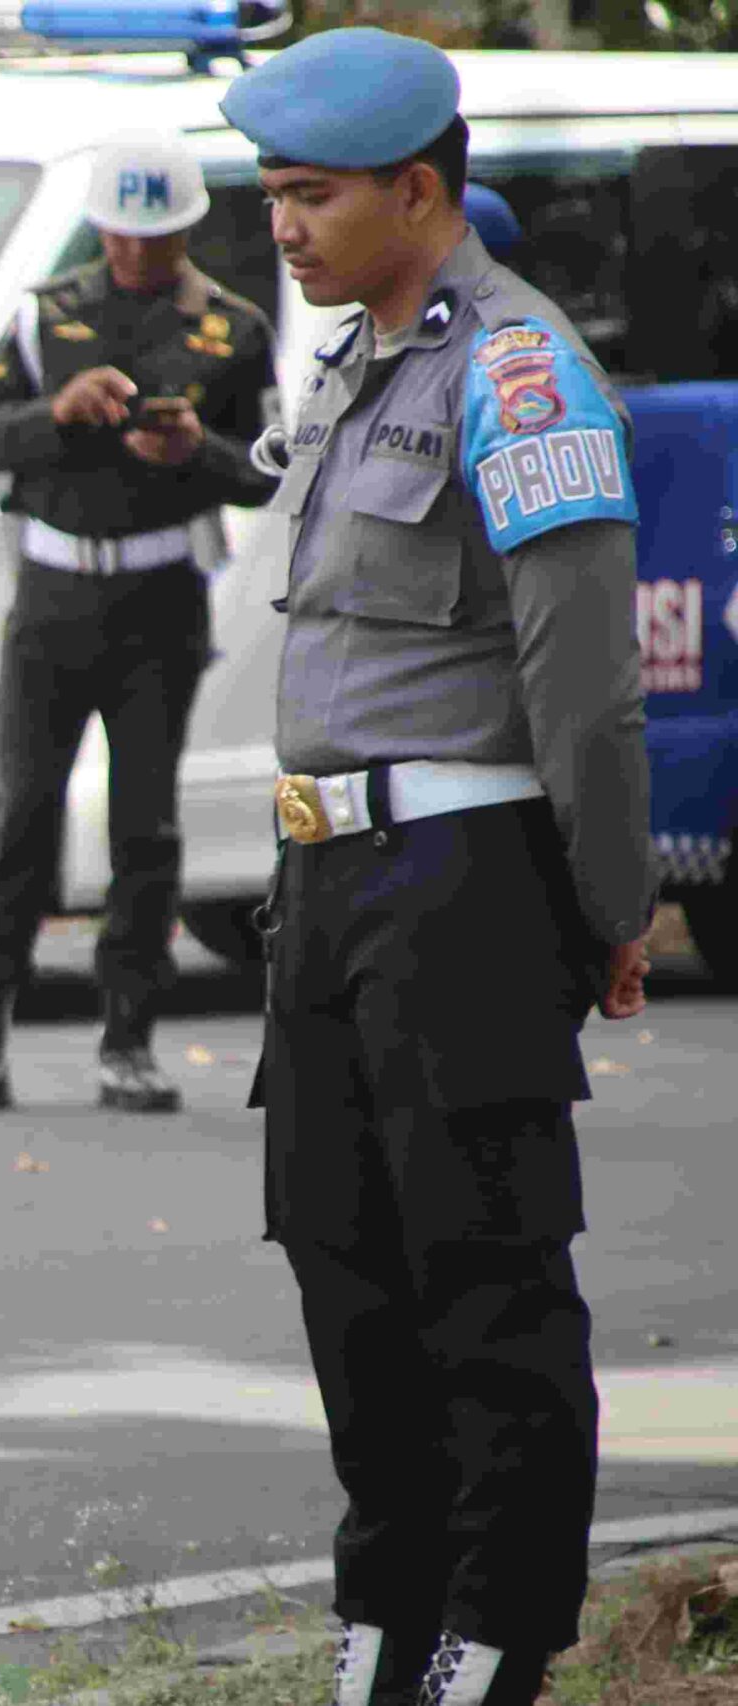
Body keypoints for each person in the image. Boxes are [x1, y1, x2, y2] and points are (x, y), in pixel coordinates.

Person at [221, 29, 654, 1706]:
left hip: (462, 874)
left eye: (313, 194)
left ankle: (500, 1634)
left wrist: (606, 908)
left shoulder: (519, 375)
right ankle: (389, 1620)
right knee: (345, 1264)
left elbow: (587, 688)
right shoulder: (355, 366)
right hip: (325, 886)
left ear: (422, 188)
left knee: (484, 1283)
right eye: (269, 193)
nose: (284, 226)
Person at [0, 129, 279, 1116]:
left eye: (151, 238)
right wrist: (59, 414)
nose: (131, 255)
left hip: (161, 595)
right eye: (118, 235)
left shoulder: (233, 329)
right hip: (52, 592)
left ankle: (127, 1040)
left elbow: (264, 467)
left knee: (145, 826)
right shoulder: (47, 318)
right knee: (22, 816)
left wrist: (195, 449)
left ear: (186, 230)